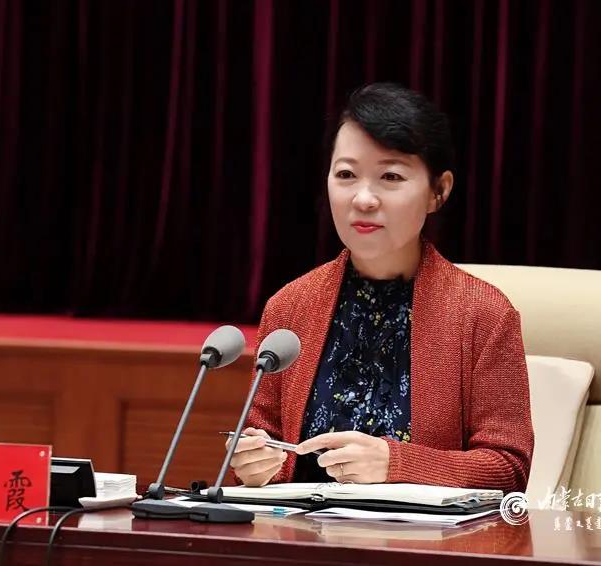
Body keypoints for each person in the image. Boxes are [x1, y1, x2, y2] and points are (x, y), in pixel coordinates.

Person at [229, 82, 534, 493]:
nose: (364, 199)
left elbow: (508, 469)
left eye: (390, 176)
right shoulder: (290, 306)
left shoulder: (483, 313)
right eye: (346, 175)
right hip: (299, 529)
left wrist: (398, 464)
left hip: (421, 535)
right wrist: (255, 463)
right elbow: (262, 443)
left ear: (439, 191)